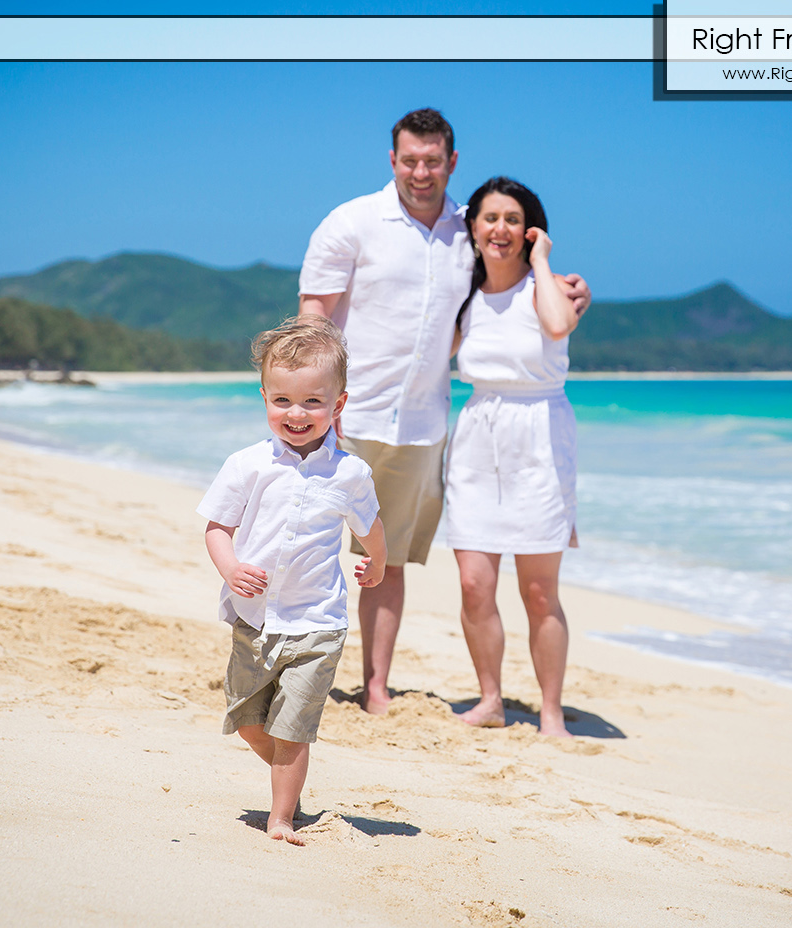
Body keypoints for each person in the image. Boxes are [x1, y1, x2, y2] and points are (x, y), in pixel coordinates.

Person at [298, 108, 590, 714]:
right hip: (346, 418)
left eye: (434, 161)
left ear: (452, 162)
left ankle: (375, 687)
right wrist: (314, 403)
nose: (422, 172)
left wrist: (567, 285)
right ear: (393, 160)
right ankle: (295, 671)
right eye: (410, 160)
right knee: (305, 548)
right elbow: (313, 315)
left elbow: (511, 292)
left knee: (387, 561)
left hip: (423, 428)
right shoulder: (352, 221)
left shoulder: (471, 230)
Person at [198, 315, 387, 845]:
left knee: (293, 729)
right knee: (247, 719)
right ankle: (288, 782)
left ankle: (281, 816)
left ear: (338, 405)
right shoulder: (247, 465)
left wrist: (377, 563)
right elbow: (218, 528)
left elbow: (371, 526)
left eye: (312, 402)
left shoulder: (350, 473)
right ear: (264, 397)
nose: (296, 414)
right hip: (253, 618)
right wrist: (232, 569)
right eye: (282, 401)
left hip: (317, 622)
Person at [445, 177, 582, 737]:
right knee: (475, 583)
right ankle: (492, 699)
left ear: (529, 230)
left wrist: (543, 259)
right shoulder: (466, 295)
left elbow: (556, 324)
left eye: (512, 219)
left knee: (538, 589)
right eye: (489, 217)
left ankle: (551, 712)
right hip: (478, 438)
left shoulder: (548, 287)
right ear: (472, 227)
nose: (499, 228)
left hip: (541, 438)